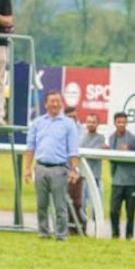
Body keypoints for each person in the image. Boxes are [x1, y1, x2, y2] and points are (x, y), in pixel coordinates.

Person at [24, 90, 80, 240]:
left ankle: (61, 235)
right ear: (46, 104)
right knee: (41, 204)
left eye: (58, 101)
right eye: (52, 101)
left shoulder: (68, 124)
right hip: (40, 167)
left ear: (61, 103)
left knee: (60, 205)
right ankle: (43, 233)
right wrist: (27, 168)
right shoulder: (38, 123)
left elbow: (73, 149)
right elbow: (30, 147)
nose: (55, 104)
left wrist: (74, 169)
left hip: (59, 169)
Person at [108, 111, 135, 240]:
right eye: (119, 122)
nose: (121, 124)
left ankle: (129, 235)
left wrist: (129, 152)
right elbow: (111, 159)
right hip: (117, 181)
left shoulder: (133, 139)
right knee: (113, 210)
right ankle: (115, 234)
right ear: (115, 123)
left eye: (123, 122)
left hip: (131, 182)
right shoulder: (112, 138)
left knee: (130, 212)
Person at [79, 112, 107, 225]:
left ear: (98, 124)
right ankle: (83, 228)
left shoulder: (101, 138)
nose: (91, 124)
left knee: (97, 206)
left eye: (93, 122)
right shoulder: (82, 137)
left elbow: (92, 153)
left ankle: (97, 228)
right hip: (83, 177)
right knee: (82, 205)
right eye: (89, 122)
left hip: (95, 177)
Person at [65, 106, 86, 233]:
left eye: (74, 117)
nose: (73, 119)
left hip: (78, 171)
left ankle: (80, 228)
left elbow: (77, 147)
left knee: (78, 203)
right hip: (64, 170)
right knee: (66, 202)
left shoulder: (81, 130)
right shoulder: (61, 128)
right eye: (70, 117)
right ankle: (69, 228)